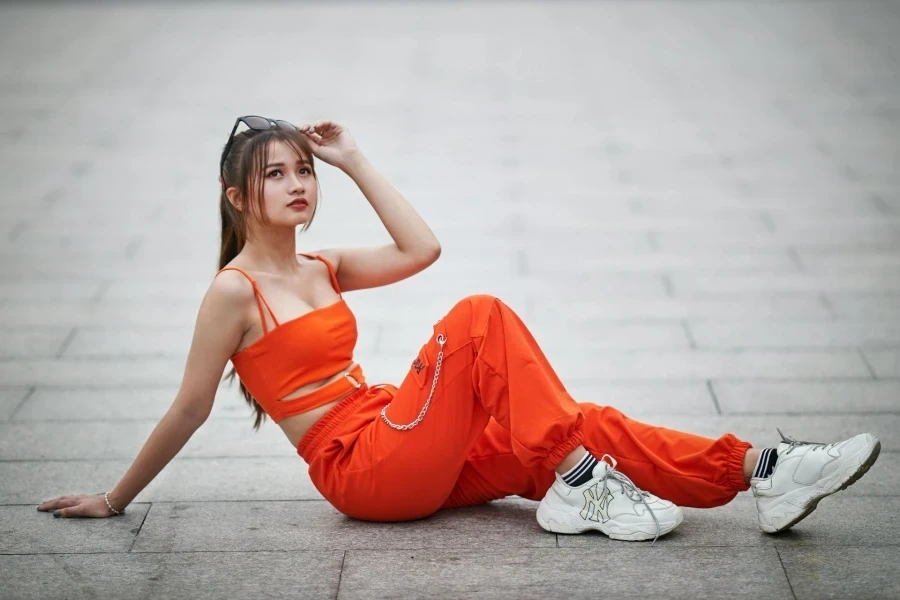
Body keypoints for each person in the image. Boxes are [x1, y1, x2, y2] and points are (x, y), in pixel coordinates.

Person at [38, 116, 881, 542]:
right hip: (360, 468)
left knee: (582, 424)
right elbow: (189, 407)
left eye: (303, 171)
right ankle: (581, 483)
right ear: (237, 200)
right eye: (277, 176)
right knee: (479, 321)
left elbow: (422, 247)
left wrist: (352, 157)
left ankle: (760, 471)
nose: (298, 185)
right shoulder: (234, 291)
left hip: (401, 435)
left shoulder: (322, 266)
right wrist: (116, 500)